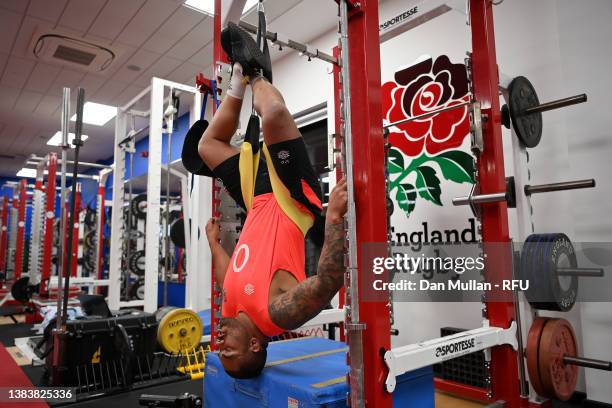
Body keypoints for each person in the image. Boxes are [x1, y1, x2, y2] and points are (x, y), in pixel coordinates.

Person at [193, 22, 348, 379]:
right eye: (228, 349)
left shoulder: (231, 305)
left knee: (207, 147)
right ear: (254, 346)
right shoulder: (277, 314)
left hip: (254, 196)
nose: (219, 342)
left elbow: (226, 277)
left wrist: (214, 245)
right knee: (274, 114)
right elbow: (327, 282)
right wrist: (335, 216)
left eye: (219, 350)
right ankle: (257, 74)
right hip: (292, 200)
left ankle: (238, 81)